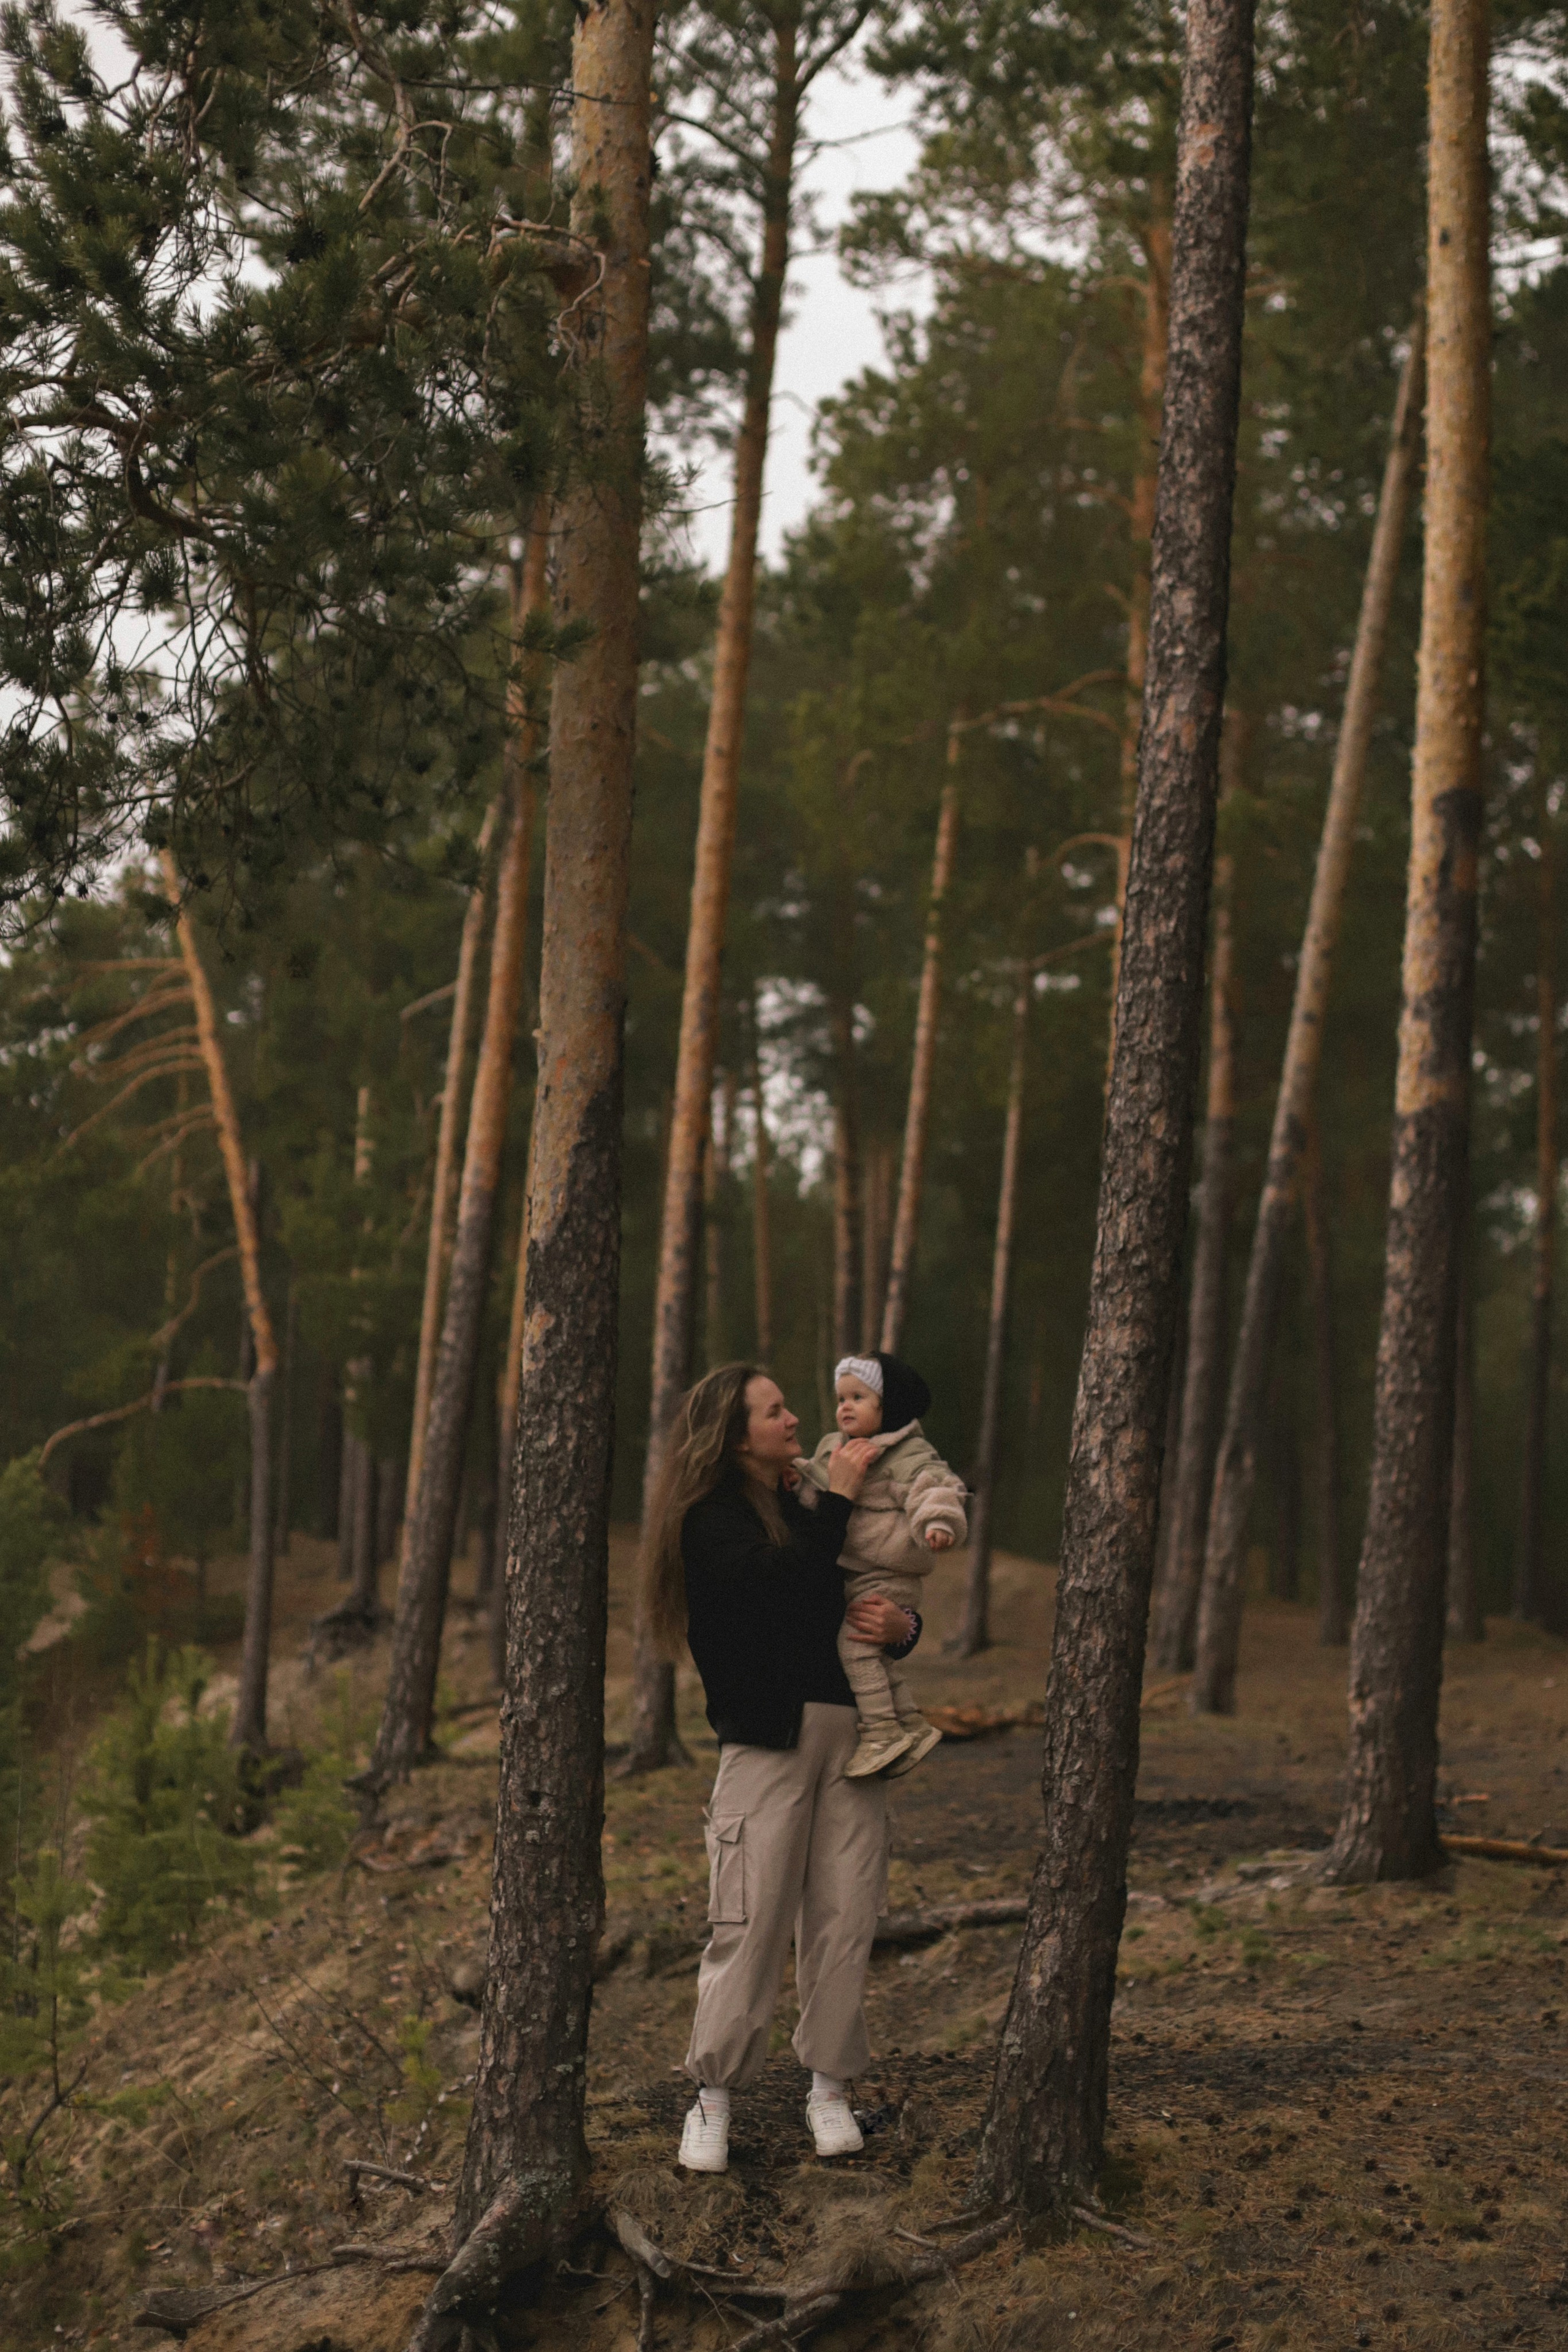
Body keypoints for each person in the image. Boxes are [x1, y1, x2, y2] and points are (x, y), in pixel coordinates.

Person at [641, 1360, 923, 2176]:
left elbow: (865, 1580)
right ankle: (713, 2100)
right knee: (749, 1922)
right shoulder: (711, 1519)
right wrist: (832, 1500)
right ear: (734, 1437)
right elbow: (780, 1591)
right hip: (765, 1746)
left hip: (852, 1735)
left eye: (785, 1404)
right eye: (772, 1410)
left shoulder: (811, 1500)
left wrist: (899, 1625)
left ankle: (829, 2093)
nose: (795, 1418)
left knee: (846, 1918)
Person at [796, 1353, 967, 1779]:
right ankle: (910, 1723)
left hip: (891, 1574)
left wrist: (938, 1522)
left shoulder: (908, 1453)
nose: (845, 1407)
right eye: (841, 1398)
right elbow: (815, 1478)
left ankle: (881, 1732)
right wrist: (793, 1473)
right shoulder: (834, 1446)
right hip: (858, 1572)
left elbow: (935, 1488)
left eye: (858, 1397)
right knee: (874, 1655)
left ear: (890, 1405)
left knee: (855, 1645)